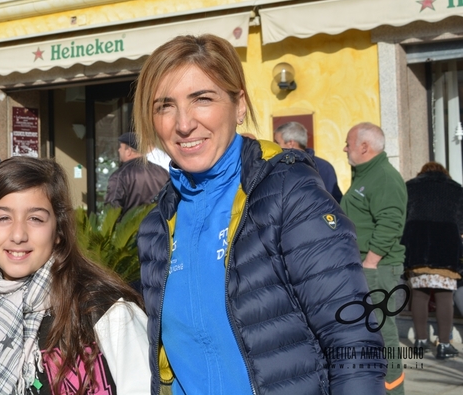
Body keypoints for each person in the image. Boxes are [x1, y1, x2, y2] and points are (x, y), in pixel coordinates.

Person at [134, 34, 386, 395]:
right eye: (164, 106)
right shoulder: (157, 226)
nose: (183, 123)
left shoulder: (287, 193)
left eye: (202, 99)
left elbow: (352, 337)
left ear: (239, 105)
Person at [0, 157, 150, 395]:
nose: (18, 235)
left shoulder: (107, 311)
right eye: (3, 218)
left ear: (58, 230)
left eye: (35, 218)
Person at [342, 122, 408, 393]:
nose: (344, 148)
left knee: (383, 332)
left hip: (378, 268)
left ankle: (393, 389)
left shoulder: (383, 176)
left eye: (349, 143)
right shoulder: (365, 174)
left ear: (365, 147)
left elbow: (392, 222)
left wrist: (370, 262)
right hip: (366, 267)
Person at [402, 161, 463, 359]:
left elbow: (404, 217)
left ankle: (420, 342)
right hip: (446, 249)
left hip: (418, 247)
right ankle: (444, 345)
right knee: (445, 296)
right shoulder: (456, 189)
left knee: (419, 295)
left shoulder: (410, 186)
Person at [273, 121, 343, 201]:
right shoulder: (278, 167)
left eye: (277, 143)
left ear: (290, 143)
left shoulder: (323, 168)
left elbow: (333, 202)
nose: (275, 147)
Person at [104, 132, 169, 217]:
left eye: (121, 147)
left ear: (129, 151)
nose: (118, 150)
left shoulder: (120, 175)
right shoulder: (162, 172)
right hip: (159, 226)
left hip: (130, 228)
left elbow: (111, 209)